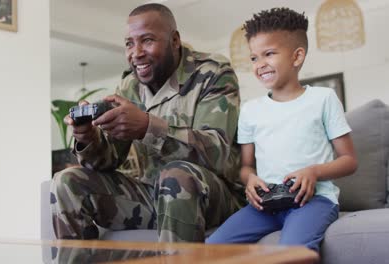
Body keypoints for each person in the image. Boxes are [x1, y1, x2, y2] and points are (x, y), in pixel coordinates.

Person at [50, 3, 245, 242]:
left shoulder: (213, 73)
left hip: (212, 197)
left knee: (176, 175)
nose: (136, 52)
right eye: (129, 43)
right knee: (66, 182)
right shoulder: (129, 86)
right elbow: (109, 159)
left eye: (148, 40)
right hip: (153, 195)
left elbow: (218, 154)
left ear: (174, 40)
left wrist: (147, 127)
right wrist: (88, 138)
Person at [206, 7, 358, 251]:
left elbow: (349, 160)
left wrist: (314, 172)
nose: (260, 64)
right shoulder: (250, 110)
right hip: (264, 206)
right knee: (211, 248)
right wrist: (250, 179)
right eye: (254, 58)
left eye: (269, 54)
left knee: (290, 254)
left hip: (313, 201)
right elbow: (245, 167)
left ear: (297, 57)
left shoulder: (323, 99)